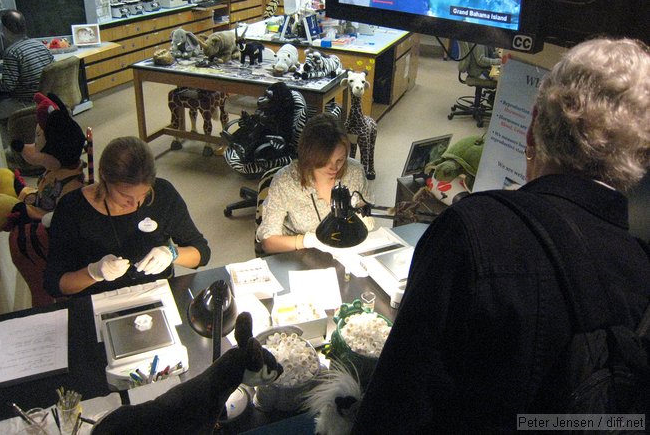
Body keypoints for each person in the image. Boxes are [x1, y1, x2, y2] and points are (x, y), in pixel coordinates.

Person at [352, 38, 650, 433]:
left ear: (531, 132)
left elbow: (397, 401)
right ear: (640, 158)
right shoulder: (642, 267)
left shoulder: (473, 231)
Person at [44, 136, 211, 297]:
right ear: (104, 176)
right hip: (101, 298)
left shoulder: (163, 193)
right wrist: (94, 272)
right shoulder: (73, 208)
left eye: (143, 194)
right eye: (124, 195)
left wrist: (172, 253)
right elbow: (54, 284)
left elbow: (201, 252)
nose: (134, 203)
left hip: (155, 292)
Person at [256, 112, 372, 253]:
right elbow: (268, 242)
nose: (334, 168)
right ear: (309, 155)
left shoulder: (355, 172)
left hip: (344, 254)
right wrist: (307, 241)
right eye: (325, 161)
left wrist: (357, 225)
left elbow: (369, 220)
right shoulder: (285, 181)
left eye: (340, 160)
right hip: (299, 256)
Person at [0, 10, 54, 146]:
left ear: (5, 30)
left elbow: (8, 85)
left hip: (26, 102)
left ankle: (9, 150)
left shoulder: (12, 52)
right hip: (45, 98)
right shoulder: (39, 45)